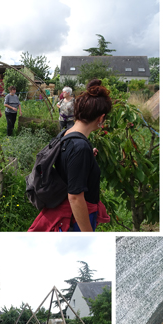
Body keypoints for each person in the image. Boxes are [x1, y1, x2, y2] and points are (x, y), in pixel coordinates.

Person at [29, 79, 114, 232]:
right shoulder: (79, 147)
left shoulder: (66, 134)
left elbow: (66, 161)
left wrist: (85, 160)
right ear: (101, 118)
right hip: (76, 218)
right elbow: (75, 197)